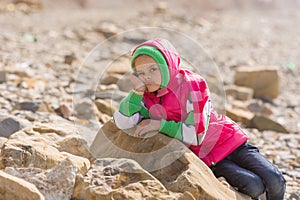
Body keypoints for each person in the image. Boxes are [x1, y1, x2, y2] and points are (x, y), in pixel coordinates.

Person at [113, 38, 286, 200]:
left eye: (153, 69)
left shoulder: (192, 85)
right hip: (206, 156)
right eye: (141, 73)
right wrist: (135, 93)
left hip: (229, 140)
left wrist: (159, 124)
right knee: (253, 185)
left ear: (168, 66)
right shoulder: (144, 96)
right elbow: (122, 121)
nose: (147, 77)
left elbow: (196, 134)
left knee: (275, 180)